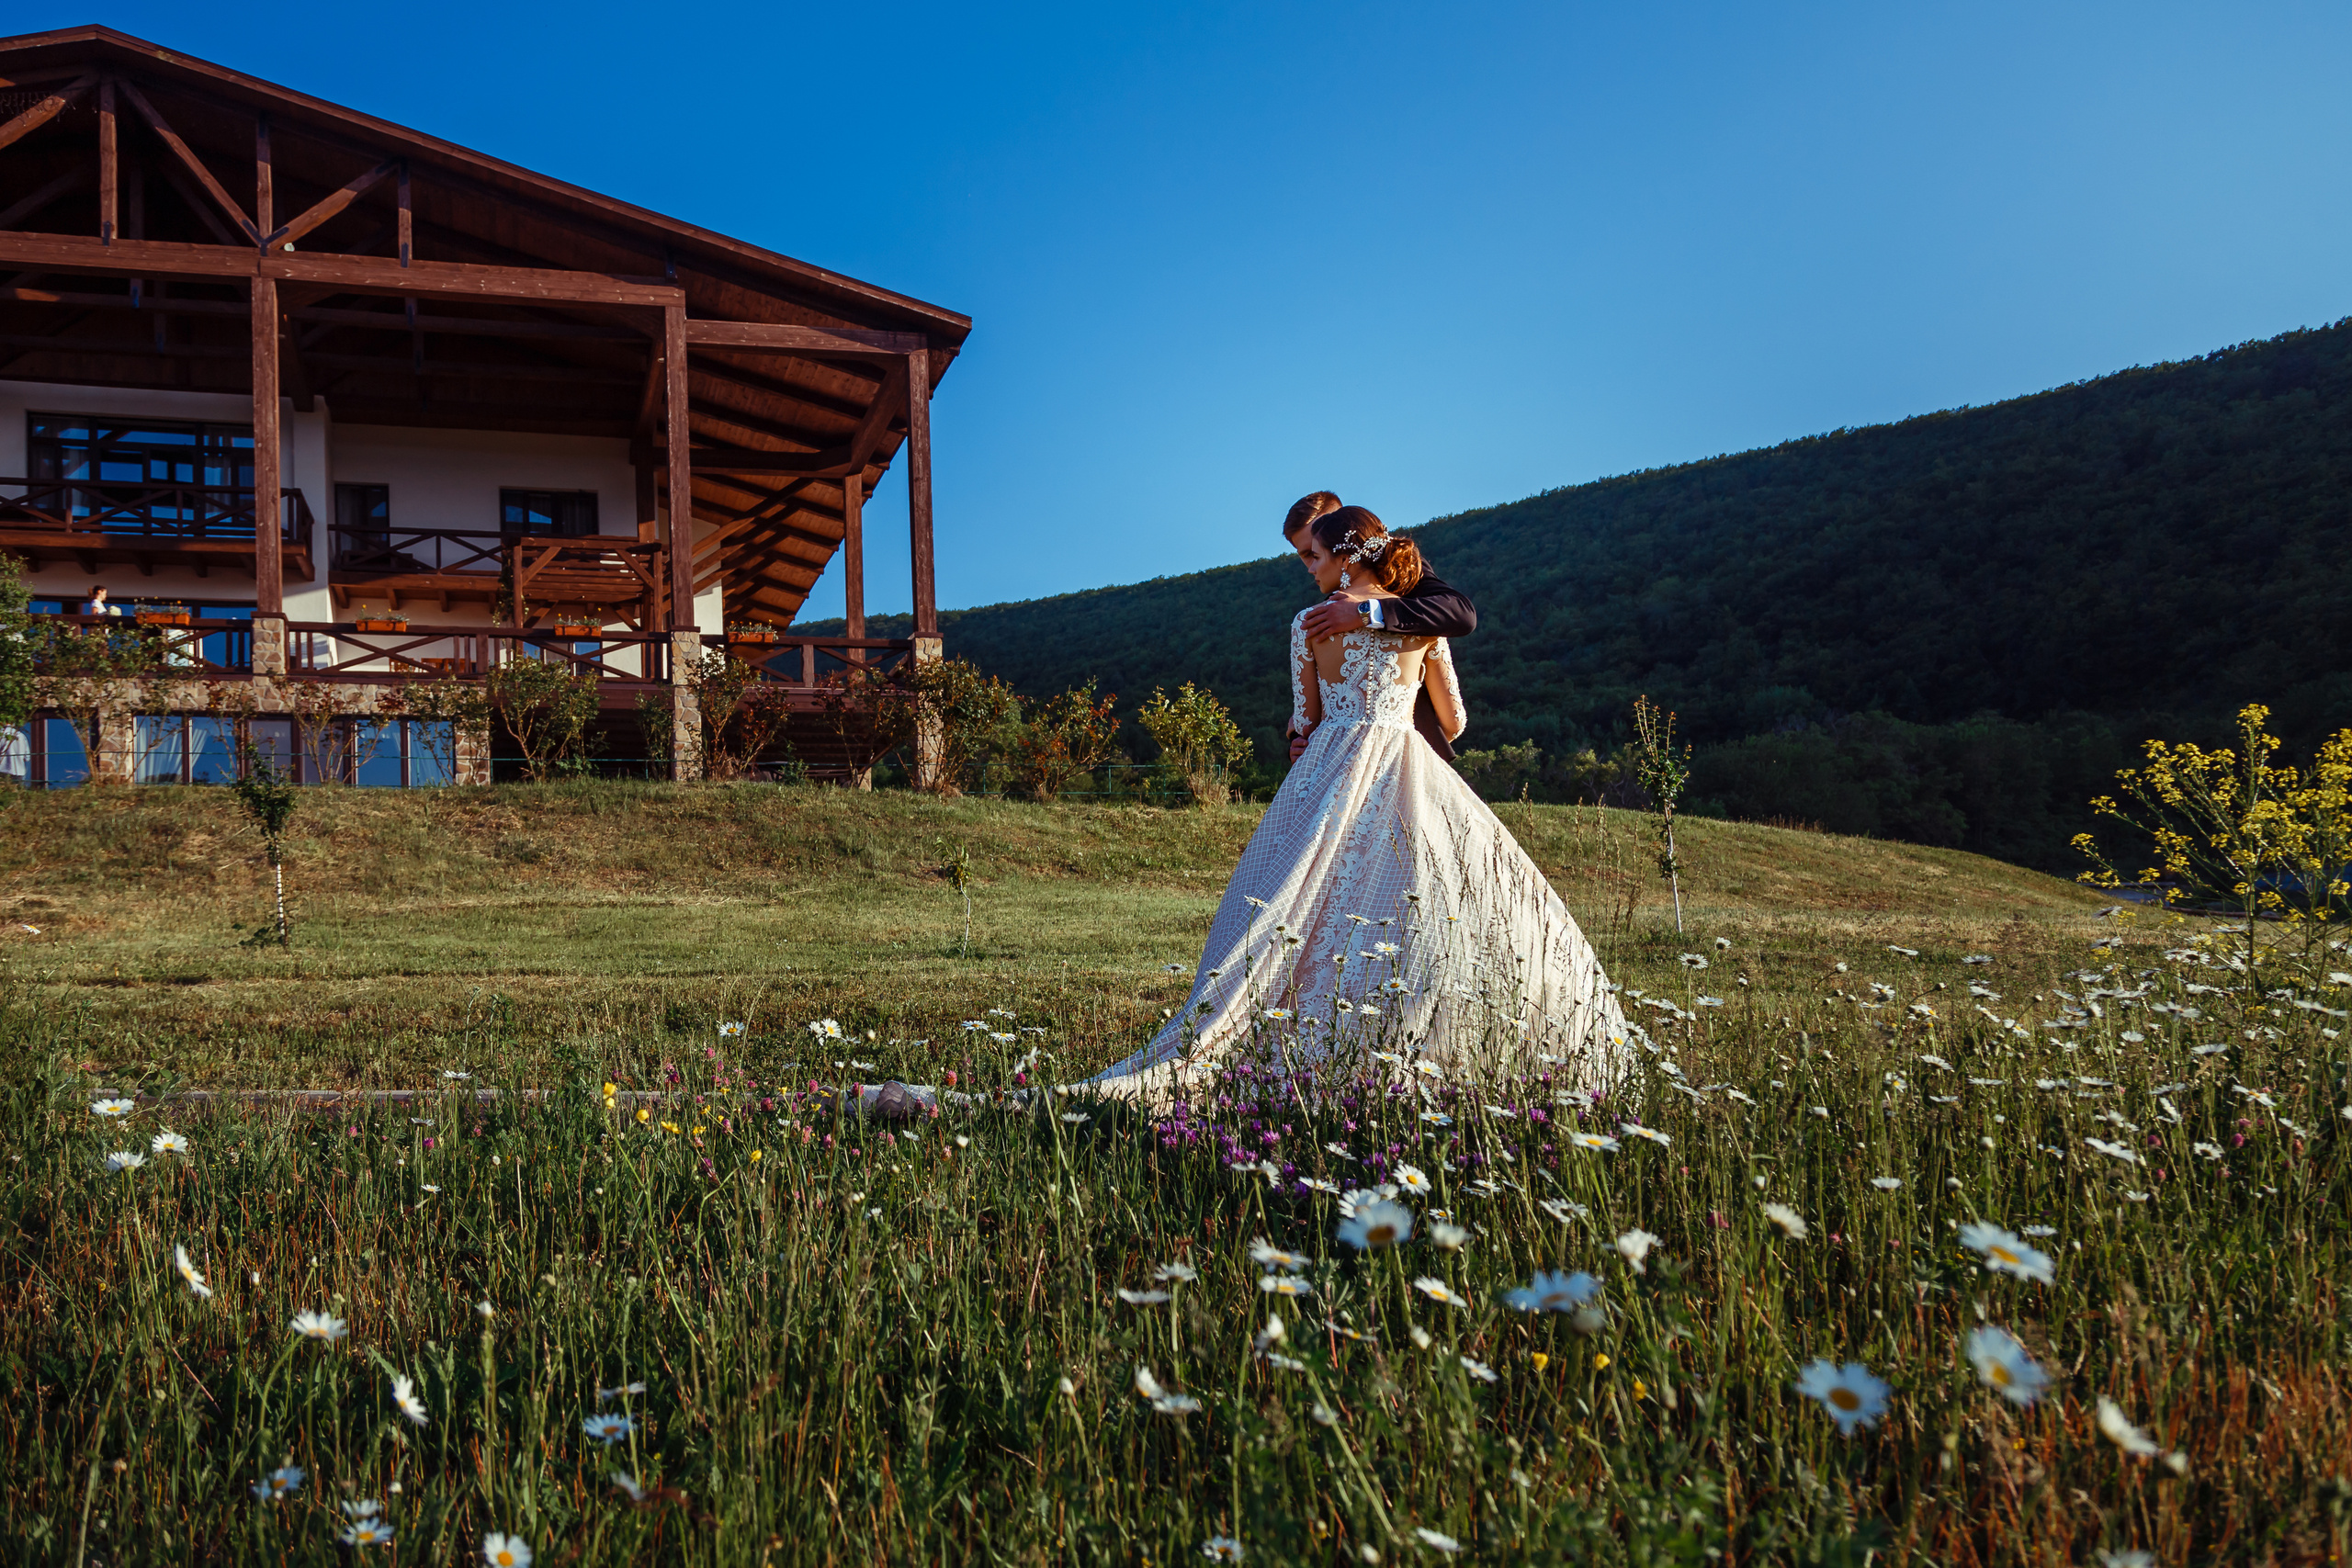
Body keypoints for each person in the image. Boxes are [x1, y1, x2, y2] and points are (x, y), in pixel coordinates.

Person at [1079, 505, 1628, 1101]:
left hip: (1329, 768)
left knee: (1296, 896)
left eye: (1313, 555)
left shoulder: (1309, 623)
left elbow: (1306, 717)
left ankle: (1273, 1027)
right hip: (1404, 761)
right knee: (1422, 897)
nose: (1308, 567)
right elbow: (1456, 719)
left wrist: (1315, 724)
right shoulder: (1421, 624)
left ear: (1343, 556)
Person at [1283, 492, 1477, 762]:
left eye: (1315, 552)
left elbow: (1461, 614)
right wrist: (1298, 740)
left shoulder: (1406, 571)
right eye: (1305, 555)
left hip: (1409, 751)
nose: (1310, 566)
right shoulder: (1318, 615)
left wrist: (1365, 612)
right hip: (1337, 755)